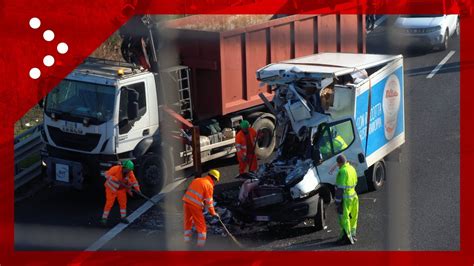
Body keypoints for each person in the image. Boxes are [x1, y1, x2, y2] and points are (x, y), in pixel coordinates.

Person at [182, 169, 220, 247]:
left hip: (186, 202)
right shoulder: (209, 185)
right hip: (195, 206)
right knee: (201, 226)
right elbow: (209, 203)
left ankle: (186, 241)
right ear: (215, 179)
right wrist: (213, 213)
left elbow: (195, 193)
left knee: (187, 222)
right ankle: (200, 246)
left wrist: (201, 201)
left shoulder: (197, 180)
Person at [100, 160, 140, 225]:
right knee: (109, 204)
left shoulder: (130, 172)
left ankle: (123, 218)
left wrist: (138, 190)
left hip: (121, 190)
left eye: (130, 170)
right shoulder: (115, 169)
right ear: (124, 168)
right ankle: (104, 218)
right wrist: (116, 180)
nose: (130, 171)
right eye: (129, 169)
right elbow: (106, 174)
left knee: (123, 203)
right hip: (111, 189)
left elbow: (134, 181)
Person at [335, 154, 359, 245]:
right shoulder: (352, 168)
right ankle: (352, 234)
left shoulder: (342, 171)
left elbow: (340, 188)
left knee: (344, 218)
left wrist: (337, 202)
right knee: (353, 216)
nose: (337, 165)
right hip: (354, 195)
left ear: (339, 163)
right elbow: (356, 181)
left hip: (346, 198)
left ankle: (347, 238)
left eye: (338, 164)